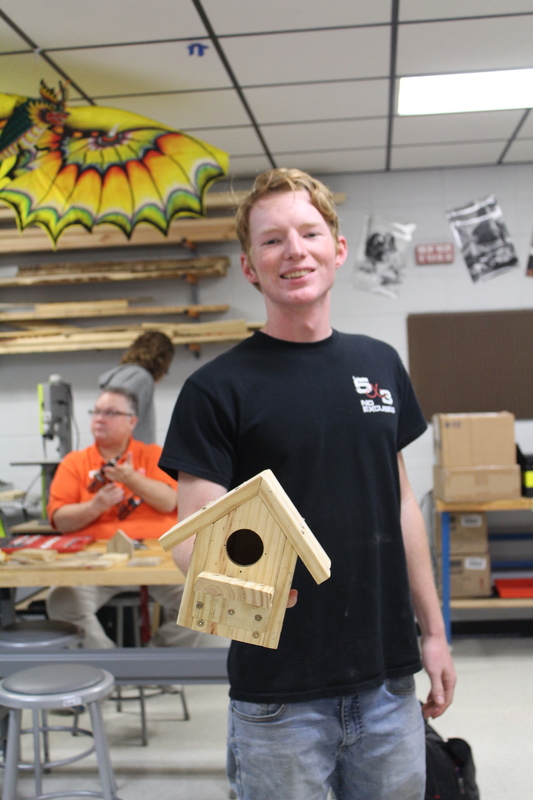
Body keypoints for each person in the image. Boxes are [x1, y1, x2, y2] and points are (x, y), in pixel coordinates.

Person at [159, 168, 456, 800]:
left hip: (387, 682)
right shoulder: (216, 390)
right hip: (280, 697)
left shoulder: (380, 365)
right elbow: (194, 537)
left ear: (338, 249)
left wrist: (433, 632)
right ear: (249, 267)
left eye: (308, 232)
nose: (293, 250)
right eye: (271, 241)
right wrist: (246, 580)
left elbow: (401, 503)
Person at [46, 387, 202, 649]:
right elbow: (60, 519)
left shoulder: (153, 455)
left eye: (109, 413)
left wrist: (131, 478)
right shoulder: (74, 462)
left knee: (200, 602)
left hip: (156, 558)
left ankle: (153, 666)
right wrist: (96, 506)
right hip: (92, 561)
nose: (99, 418)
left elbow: (170, 501)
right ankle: (109, 667)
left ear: (132, 421)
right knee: (61, 601)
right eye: (95, 412)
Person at [98, 331, 174, 444]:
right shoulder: (141, 379)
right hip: (132, 457)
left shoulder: (123, 375)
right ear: (162, 359)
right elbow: (118, 420)